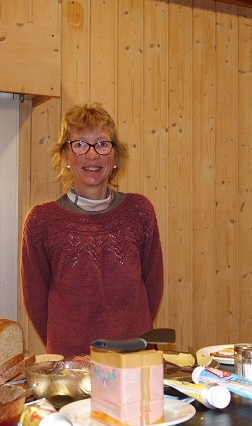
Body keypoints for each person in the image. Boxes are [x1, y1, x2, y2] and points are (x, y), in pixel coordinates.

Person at [21, 103, 164, 357]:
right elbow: (36, 303)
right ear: (65, 155)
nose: (92, 155)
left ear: (115, 156)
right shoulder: (42, 222)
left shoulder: (140, 212)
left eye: (102, 144)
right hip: (71, 368)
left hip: (134, 363)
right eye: (79, 144)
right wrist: (68, 346)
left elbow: (153, 287)